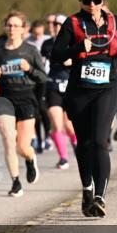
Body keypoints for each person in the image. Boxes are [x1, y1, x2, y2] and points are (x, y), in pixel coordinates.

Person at [49, 0, 117, 218]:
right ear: (81, 2)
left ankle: (100, 197)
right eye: (87, 1)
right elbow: (56, 55)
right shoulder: (72, 23)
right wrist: (77, 49)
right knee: (84, 144)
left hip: (107, 88)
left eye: (96, 0)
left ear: (103, 0)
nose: (92, 5)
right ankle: (87, 188)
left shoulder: (115, 21)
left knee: (99, 141)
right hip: (79, 92)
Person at [0, 12, 49, 197]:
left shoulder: (30, 51)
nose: (12, 29)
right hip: (4, 99)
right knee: (8, 141)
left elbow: (43, 77)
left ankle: (30, 158)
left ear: (23, 29)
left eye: (16, 25)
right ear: (5, 28)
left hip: (26, 98)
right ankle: (15, 182)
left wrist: (29, 69)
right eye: (9, 25)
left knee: (22, 147)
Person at [41, 14, 78, 169]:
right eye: (54, 24)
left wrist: (72, 61)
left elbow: (82, 61)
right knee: (56, 124)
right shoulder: (47, 44)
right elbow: (43, 64)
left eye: (60, 24)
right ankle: (63, 158)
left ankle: (76, 145)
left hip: (70, 87)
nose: (56, 27)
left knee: (69, 126)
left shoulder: (74, 42)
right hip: (53, 86)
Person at [26, 20, 52, 153]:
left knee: (43, 108)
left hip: (45, 78)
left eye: (39, 34)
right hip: (31, 79)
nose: (37, 36)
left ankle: (48, 135)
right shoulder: (27, 42)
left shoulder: (47, 40)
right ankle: (38, 139)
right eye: (35, 34)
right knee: (35, 110)